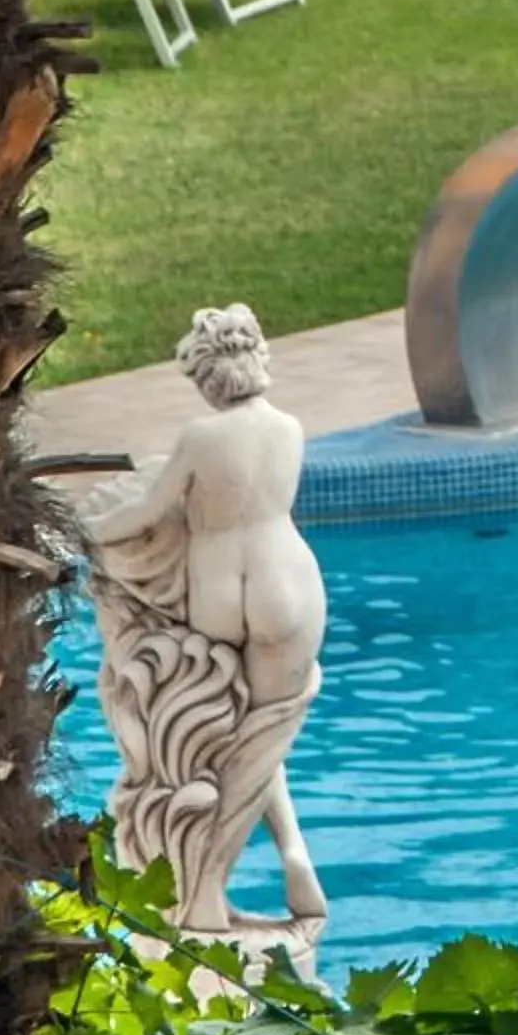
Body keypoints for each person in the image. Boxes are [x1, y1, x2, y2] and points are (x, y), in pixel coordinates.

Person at [83, 305, 325, 941]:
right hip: (289, 586)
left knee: (232, 738)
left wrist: (85, 533)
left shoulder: (199, 437)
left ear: (207, 377)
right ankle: (292, 854)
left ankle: (206, 897)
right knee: (263, 733)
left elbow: (146, 511)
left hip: (218, 596)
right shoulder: (290, 429)